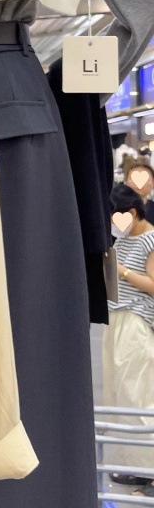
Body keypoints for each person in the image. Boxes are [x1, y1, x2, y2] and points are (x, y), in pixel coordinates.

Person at [104, 184, 154, 492]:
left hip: (135, 323)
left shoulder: (149, 238)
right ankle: (136, 467)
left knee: (139, 398)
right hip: (115, 320)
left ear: (132, 213)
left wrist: (122, 271)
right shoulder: (122, 238)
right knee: (121, 397)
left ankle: (150, 468)